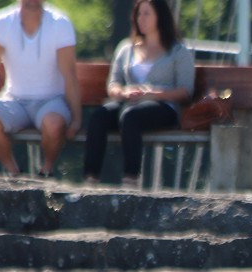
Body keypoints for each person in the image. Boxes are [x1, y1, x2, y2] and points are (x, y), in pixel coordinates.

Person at [83, 0, 194, 187]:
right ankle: (90, 178)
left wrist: (155, 94)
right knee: (99, 116)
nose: (140, 19)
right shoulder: (126, 48)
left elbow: (185, 91)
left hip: (163, 107)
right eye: (138, 14)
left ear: (160, 16)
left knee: (130, 117)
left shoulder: (178, 51)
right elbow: (113, 83)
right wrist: (123, 92)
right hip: (129, 102)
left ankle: (131, 177)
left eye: (146, 14)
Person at [0, 0, 81, 177]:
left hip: (51, 100)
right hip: (13, 99)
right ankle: (15, 174)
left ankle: (46, 172)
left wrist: (76, 119)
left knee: (54, 125)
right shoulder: (1, 22)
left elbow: (69, 74)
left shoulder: (60, 23)